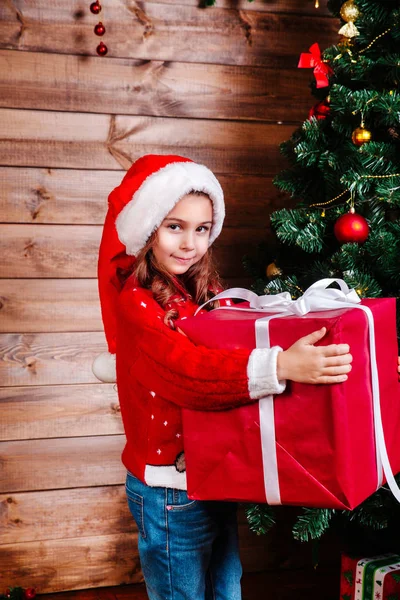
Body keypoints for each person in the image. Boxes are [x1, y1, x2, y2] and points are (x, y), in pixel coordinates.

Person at [92, 154, 354, 600]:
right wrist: (280, 366)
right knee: (183, 594)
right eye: (174, 226)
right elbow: (187, 373)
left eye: (201, 228)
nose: (189, 242)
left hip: (214, 473)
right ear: (148, 229)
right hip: (168, 493)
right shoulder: (136, 303)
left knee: (226, 586)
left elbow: (243, 340)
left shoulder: (208, 293)